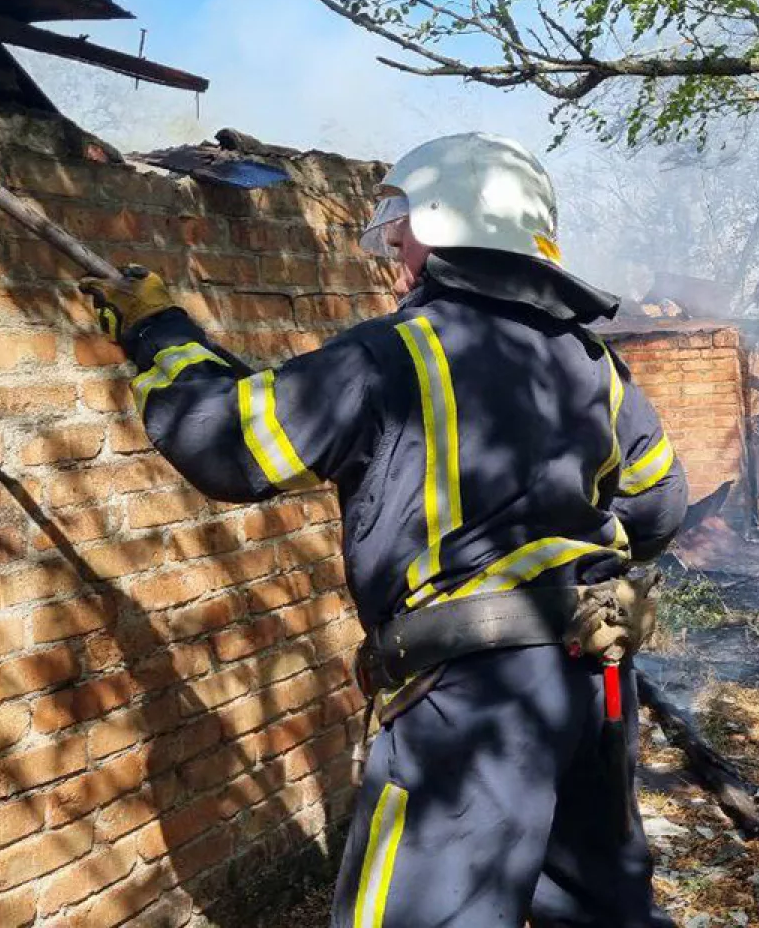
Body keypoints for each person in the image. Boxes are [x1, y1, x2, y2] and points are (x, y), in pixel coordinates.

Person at [80, 131, 688, 928]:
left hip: (472, 702)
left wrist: (156, 333)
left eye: (397, 235)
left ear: (439, 228)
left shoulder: (390, 355)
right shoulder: (592, 364)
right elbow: (658, 506)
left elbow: (228, 443)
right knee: (599, 908)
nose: (393, 257)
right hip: (593, 684)